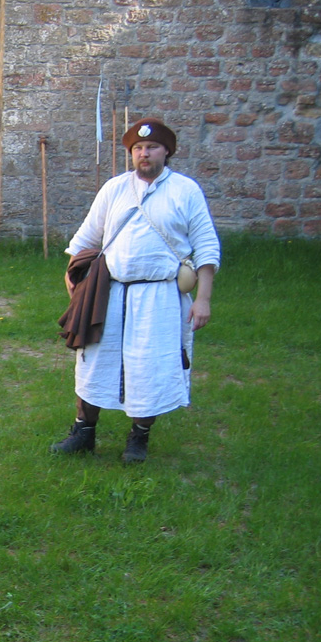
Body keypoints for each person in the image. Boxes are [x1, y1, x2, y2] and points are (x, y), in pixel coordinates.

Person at [51, 116, 219, 462]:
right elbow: (84, 240)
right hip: (109, 293)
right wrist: (74, 285)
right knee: (95, 361)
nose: (144, 154)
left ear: (166, 152)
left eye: (152, 147)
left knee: (149, 366)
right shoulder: (114, 189)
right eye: (138, 148)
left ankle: (138, 438)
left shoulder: (185, 191)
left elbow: (206, 246)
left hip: (160, 296)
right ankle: (83, 432)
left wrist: (203, 299)